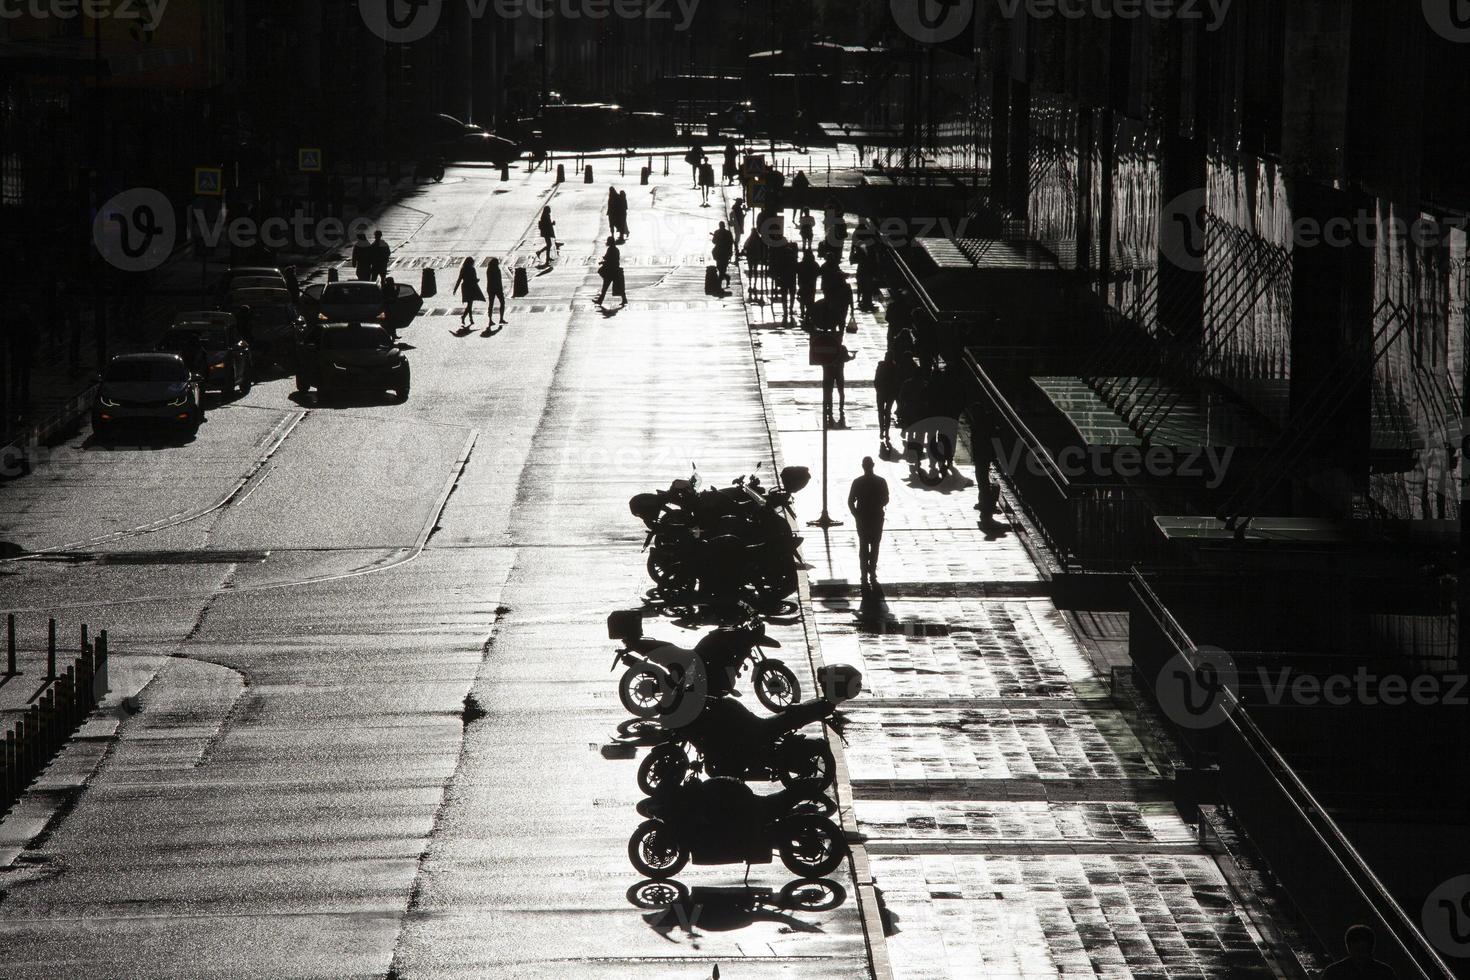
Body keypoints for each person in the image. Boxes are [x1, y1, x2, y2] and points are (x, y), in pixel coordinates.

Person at [847, 457, 889, 588]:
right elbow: (886, 499)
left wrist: (856, 515)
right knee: (875, 546)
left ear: (862, 466)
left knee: (863, 546)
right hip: (876, 517)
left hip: (863, 518)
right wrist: (876, 505)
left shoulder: (857, 482)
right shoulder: (881, 481)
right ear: (873, 465)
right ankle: (872, 573)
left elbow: (850, 501)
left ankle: (864, 574)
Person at [966, 400, 1001, 530]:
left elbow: (978, 441)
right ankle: (985, 501)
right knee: (982, 477)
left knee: (981, 478)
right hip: (984, 455)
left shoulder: (980, 425)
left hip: (982, 455)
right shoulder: (985, 423)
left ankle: (985, 501)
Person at [1320, 925, 1396, 980]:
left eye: (1363, 950)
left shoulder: (1334, 971)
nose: (1359, 955)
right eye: (1357, 950)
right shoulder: (1384, 972)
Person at [821, 339, 857, 427]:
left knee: (829, 392)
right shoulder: (842, 348)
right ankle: (841, 407)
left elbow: (821, 359)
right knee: (841, 391)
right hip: (839, 373)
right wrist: (853, 356)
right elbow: (847, 358)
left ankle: (829, 407)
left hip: (829, 373)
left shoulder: (828, 349)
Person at [769, 235, 798, 325]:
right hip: (792, 278)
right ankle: (791, 308)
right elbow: (796, 267)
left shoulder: (780, 257)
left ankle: (785, 310)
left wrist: (777, 276)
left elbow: (778, 267)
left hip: (784, 279)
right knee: (792, 294)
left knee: (784, 296)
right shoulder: (792, 256)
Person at [453, 257, 485, 328]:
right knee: (470, 304)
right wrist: (477, 280)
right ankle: (465, 317)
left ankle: (469, 318)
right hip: (472, 287)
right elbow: (474, 278)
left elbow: (459, 279)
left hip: (465, 287)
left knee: (469, 304)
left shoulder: (463, 269)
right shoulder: (472, 269)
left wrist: (455, 289)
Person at [596, 236, 625, 306]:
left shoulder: (610, 249)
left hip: (610, 270)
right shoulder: (616, 249)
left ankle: (600, 300)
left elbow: (609, 259)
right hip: (615, 270)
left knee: (605, 286)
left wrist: (603, 262)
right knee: (619, 286)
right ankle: (624, 299)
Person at [797, 249, 819, 320]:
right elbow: (819, 272)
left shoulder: (801, 264)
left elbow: (796, 270)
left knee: (802, 298)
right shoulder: (814, 264)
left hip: (802, 284)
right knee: (811, 299)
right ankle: (808, 314)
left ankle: (802, 312)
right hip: (811, 284)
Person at [711, 221, 735, 287]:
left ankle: (719, 283)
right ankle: (726, 278)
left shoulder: (718, 232)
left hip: (721, 252)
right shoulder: (727, 233)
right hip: (723, 253)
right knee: (720, 268)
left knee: (721, 268)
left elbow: (714, 241)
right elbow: (731, 243)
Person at [486, 257, 507, 325]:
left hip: (490, 288)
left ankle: (490, 320)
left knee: (491, 304)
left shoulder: (489, 269)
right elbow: (499, 280)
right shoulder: (497, 269)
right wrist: (501, 289)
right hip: (497, 288)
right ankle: (501, 318)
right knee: (502, 303)